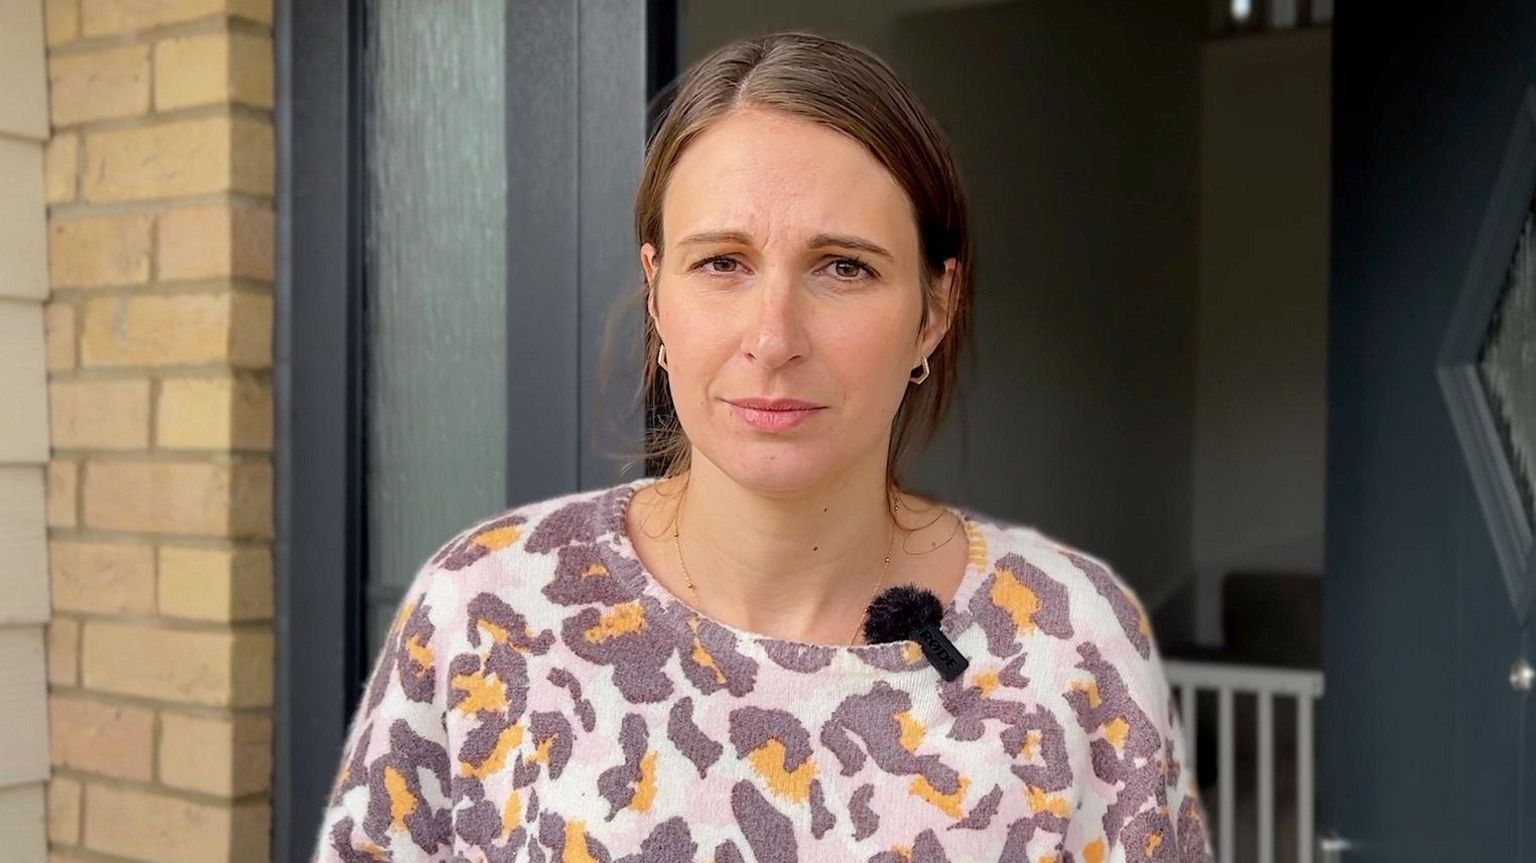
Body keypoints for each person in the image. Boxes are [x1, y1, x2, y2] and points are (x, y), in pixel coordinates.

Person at [313, 31, 1214, 863]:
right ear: (657, 293)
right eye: (722, 263)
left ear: (935, 310)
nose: (773, 336)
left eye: (844, 267)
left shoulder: (1072, 643)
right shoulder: (485, 614)